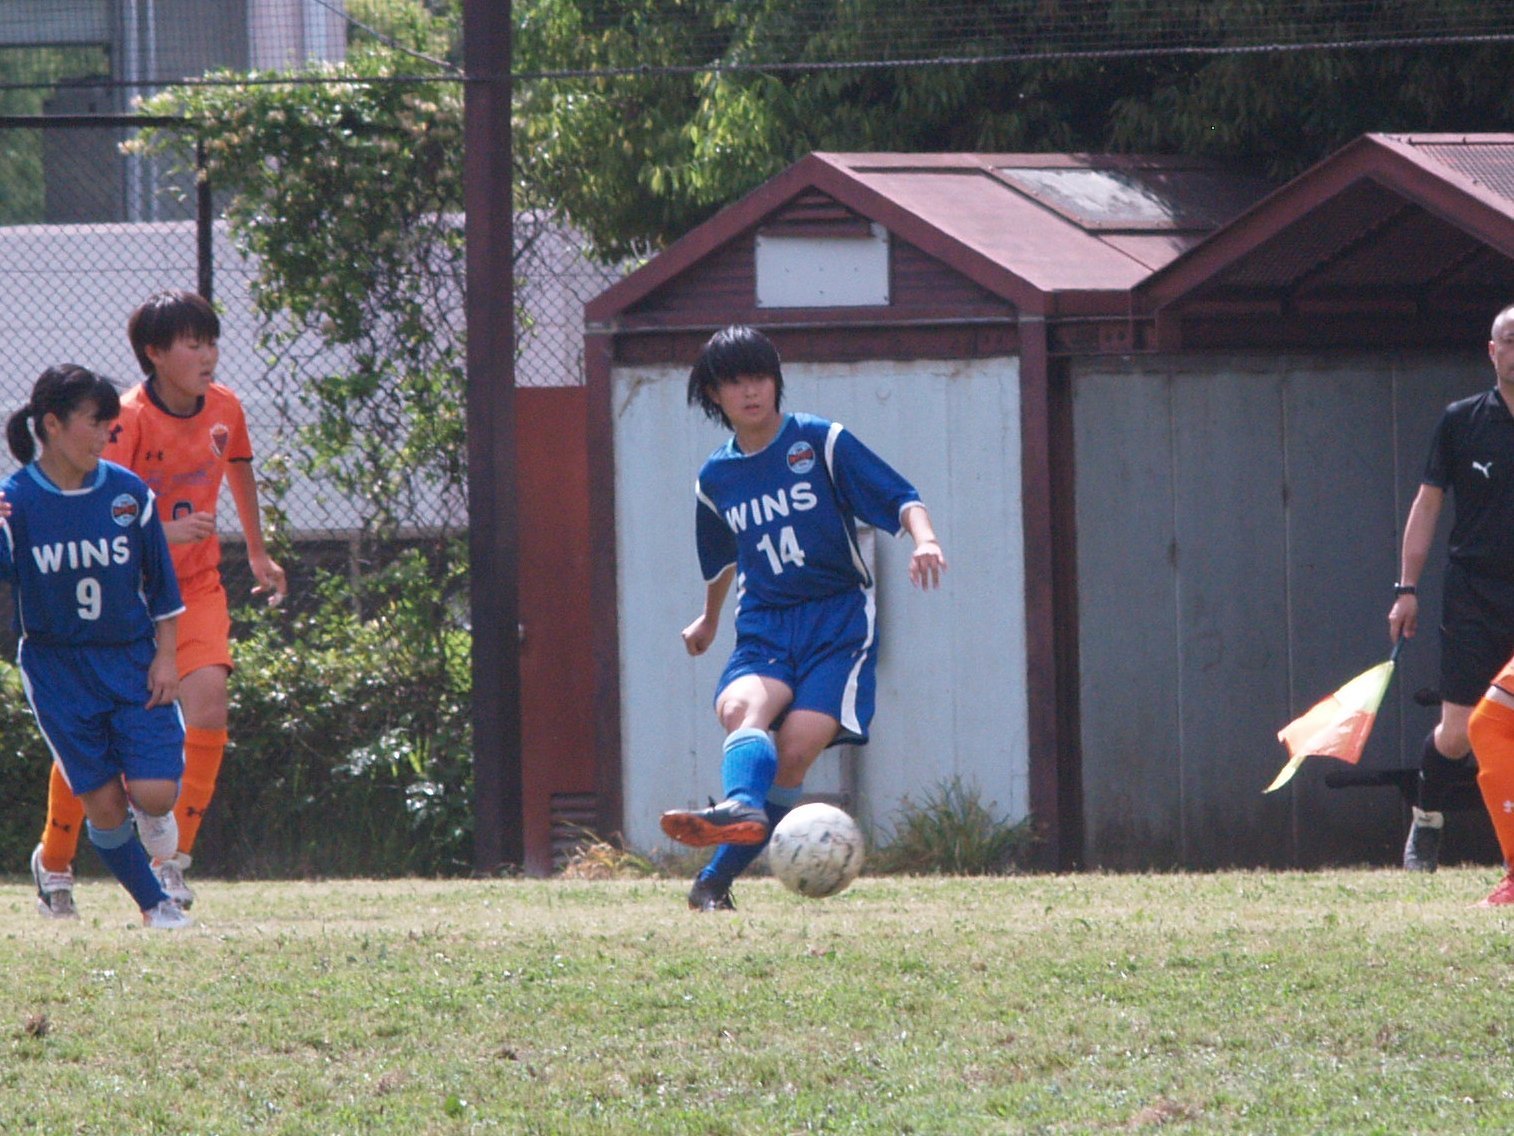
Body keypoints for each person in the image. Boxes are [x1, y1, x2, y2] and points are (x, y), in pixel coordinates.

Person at [659, 326, 947, 911]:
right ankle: (739, 808)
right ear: (713, 394)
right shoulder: (716, 479)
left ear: (776, 381)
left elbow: (899, 496)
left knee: (793, 750)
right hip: (765, 622)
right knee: (741, 709)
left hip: (837, 622)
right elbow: (722, 560)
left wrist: (926, 540)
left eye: (759, 377)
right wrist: (710, 620)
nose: (750, 391)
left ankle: (713, 881)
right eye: (734, 382)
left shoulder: (819, 441)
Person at [30, 290, 286, 919]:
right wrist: (159, 534)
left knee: (209, 703)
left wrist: (257, 551)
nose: (208, 354)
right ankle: (55, 859)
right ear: (154, 354)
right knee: (94, 734)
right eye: (192, 343)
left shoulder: (226, 408)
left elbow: (240, 468)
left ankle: (170, 866)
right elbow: (97, 506)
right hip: (126, 598)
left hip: (194, 589)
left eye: (211, 341)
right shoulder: (126, 419)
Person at [5, 365, 191, 928]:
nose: (108, 432)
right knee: (105, 806)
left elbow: (161, 584)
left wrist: (167, 653)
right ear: (53, 425)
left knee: (156, 794)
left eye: (112, 420)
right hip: (58, 669)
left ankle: (156, 832)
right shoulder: (15, 506)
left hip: (131, 657)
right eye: (95, 421)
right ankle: (155, 906)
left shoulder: (128, 495)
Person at [1389, 301, 1514, 872]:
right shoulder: (1461, 420)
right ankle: (1427, 821)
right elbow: (1427, 503)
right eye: (1509, 340)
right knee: (1459, 735)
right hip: (1474, 595)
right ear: (1492, 351)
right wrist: (1406, 586)